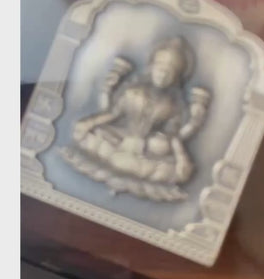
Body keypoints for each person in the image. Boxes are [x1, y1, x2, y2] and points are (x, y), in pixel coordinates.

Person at [60, 36, 210, 201]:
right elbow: (112, 113)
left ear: (177, 77)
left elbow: (173, 136)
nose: (163, 74)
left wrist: (193, 125)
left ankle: (127, 159)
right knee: (94, 132)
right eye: (160, 68)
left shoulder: (173, 105)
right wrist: (92, 118)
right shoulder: (133, 91)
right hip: (120, 138)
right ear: (151, 67)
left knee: (160, 146)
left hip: (146, 150)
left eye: (170, 71)